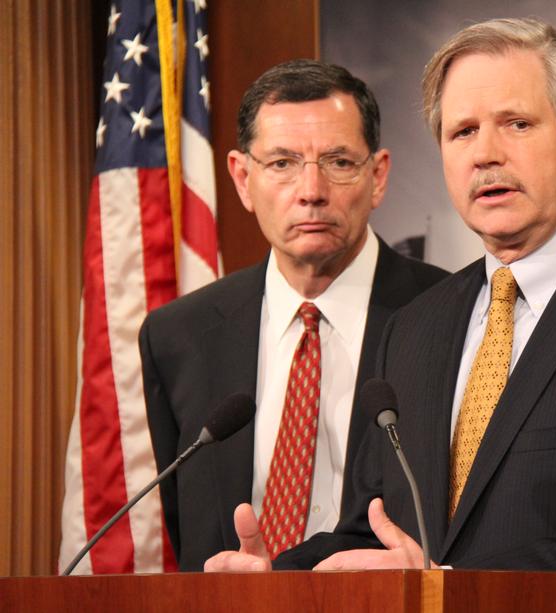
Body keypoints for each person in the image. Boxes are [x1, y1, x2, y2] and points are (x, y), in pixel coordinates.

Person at [204, 17, 556, 574]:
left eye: (516, 124)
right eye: (462, 131)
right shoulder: (416, 326)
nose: (485, 154)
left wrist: (445, 587)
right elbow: (378, 531)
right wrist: (277, 580)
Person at [139, 59, 447, 571]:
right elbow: (186, 526)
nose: (311, 191)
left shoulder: (451, 316)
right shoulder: (179, 337)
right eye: (282, 163)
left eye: (339, 161)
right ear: (242, 178)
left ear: (378, 175)